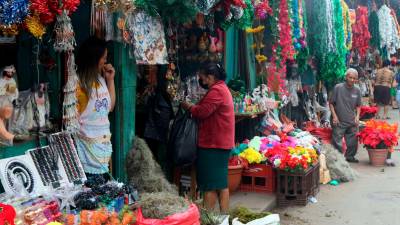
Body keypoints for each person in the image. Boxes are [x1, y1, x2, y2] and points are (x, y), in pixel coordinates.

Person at [181, 63, 234, 213]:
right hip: (219, 144)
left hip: (213, 145)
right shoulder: (222, 88)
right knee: (220, 184)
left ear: (210, 77)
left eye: (202, 78)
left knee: (209, 185)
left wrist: (188, 107)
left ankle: (208, 218)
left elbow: (202, 112)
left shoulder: (217, 90)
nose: (201, 82)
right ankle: (224, 218)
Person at [75, 37, 116, 180]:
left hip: (103, 146)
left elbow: (109, 107)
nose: (105, 61)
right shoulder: (79, 85)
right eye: (103, 57)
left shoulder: (100, 78)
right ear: (94, 58)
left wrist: (110, 80)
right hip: (87, 149)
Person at [329, 68, 361, 163]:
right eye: (350, 77)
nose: (352, 80)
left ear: (356, 79)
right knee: (337, 141)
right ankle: (338, 159)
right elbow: (331, 103)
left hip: (351, 120)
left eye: (354, 78)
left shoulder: (357, 90)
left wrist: (357, 116)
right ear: (346, 77)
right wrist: (334, 116)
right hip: (339, 120)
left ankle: (350, 157)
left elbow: (358, 105)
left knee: (353, 141)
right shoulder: (338, 87)